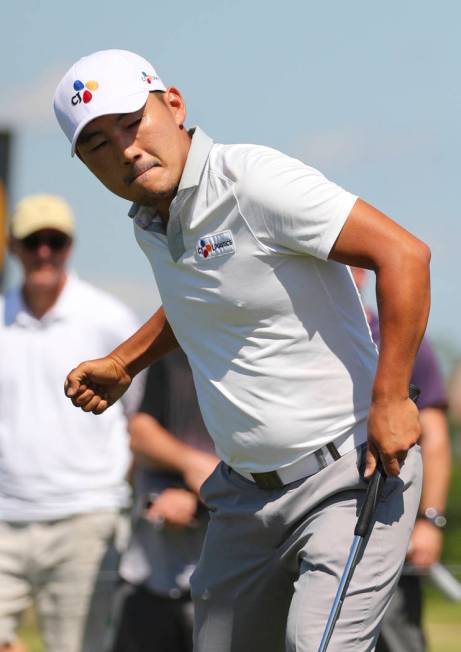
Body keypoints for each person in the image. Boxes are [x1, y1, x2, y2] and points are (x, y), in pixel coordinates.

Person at [53, 49, 431, 652]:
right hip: (242, 500)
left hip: (350, 473)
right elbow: (201, 298)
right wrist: (126, 361)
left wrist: (391, 398)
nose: (123, 148)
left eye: (131, 122)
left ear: (173, 104)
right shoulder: (150, 220)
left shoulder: (252, 178)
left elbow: (404, 256)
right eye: (96, 143)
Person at [0, 194, 143, 652]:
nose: (44, 251)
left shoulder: (108, 318)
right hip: (5, 516)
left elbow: (137, 416)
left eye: (54, 241)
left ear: (70, 246)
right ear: (13, 247)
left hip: (86, 516)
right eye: (32, 241)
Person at [351, 267, 451, 652]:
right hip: (315, 518)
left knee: (398, 639)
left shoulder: (403, 340)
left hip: (393, 520)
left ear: (363, 272)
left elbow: (436, 438)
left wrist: (429, 520)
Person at [111, 348, 218, 652]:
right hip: (151, 572)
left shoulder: (263, 354)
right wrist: (192, 467)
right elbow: (141, 435)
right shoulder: (164, 351)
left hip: (223, 580)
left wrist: (198, 496)